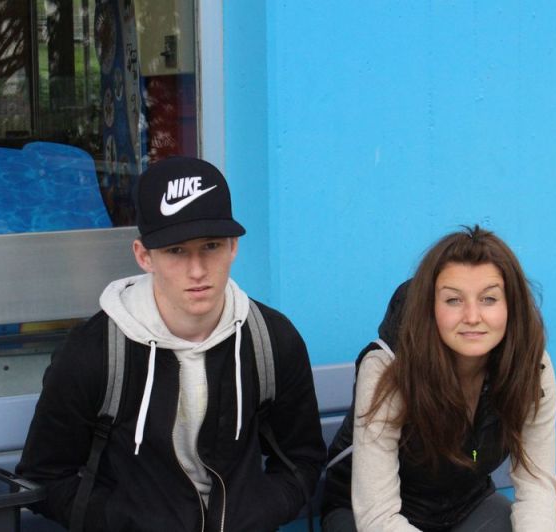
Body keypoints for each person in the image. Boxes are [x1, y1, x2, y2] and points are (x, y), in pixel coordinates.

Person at [17, 156, 326, 531]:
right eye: (176, 250)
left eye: (211, 246)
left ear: (233, 247)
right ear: (144, 256)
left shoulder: (271, 339)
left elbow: (302, 459)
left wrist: (256, 514)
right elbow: (45, 477)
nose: (197, 270)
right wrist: (128, 523)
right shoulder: (94, 352)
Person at [322, 226, 556, 532]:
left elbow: (537, 484)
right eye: (453, 300)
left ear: (511, 306)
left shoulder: (531, 367)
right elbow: (377, 516)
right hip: (366, 514)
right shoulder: (388, 368)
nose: (472, 317)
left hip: (465, 506)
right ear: (430, 307)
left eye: (489, 299)